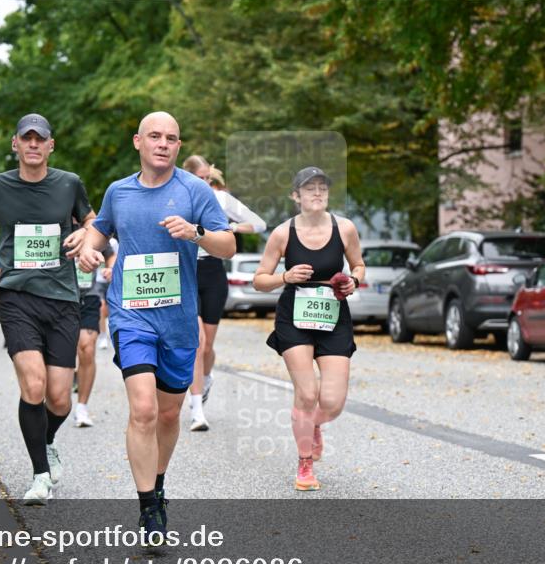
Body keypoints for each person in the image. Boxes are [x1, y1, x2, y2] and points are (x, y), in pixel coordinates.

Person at [77, 111, 234, 541]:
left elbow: (227, 244)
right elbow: (99, 232)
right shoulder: (118, 192)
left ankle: (158, 484)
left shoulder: (195, 190)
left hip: (178, 320)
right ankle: (148, 507)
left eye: (171, 138)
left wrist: (196, 232)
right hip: (131, 315)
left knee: (167, 413)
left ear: (178, 146)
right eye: (155, 136)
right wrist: (90, 250)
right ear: (138, 142)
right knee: (144, 409)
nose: (163, 144)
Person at [0, 113, 95, 505]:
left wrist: (85, 234)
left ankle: (46, 441)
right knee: (34, 385)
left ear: (50, 145)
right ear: (15, 144)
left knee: (59, 398)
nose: (32, 144)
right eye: (26, 138)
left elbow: (93, 222)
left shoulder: (69, 183)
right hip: (16, 296)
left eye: (39, 139)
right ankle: (40, 475)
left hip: (62, 298)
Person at [253, 167, 365, 491]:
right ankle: (305, 464)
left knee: (332, 401)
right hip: (294, 317)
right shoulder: (282, 234)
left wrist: (353, 281)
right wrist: (284, 277)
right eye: (309, 188)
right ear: (296, 196)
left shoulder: (345, 228)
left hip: (333, 315)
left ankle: (313, 425)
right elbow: (259, 280)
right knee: (306, 393)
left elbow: (358, 265)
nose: (317, 193)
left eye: (322, 188)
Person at [181, 155, 266, 431]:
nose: (206, 183)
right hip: (186, 271)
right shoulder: (177, 196)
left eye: (208, 178)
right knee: (196, 342)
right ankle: (196, 410)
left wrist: (233, 227)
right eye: (201, 178)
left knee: (207, 346)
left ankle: (206, 379)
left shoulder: (220, 199)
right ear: (188, 176)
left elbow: (260, 224)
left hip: (213, 273)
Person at [73, 234, 116, 427]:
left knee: (87, 349)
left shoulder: (92, 230)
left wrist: (111, 268)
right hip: (58, 298)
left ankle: (81, 407)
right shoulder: (54, 222)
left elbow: (110, 254)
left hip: (89, 297)